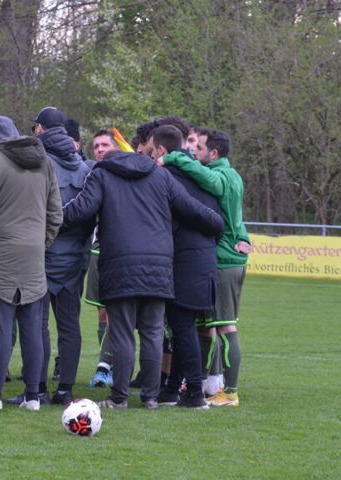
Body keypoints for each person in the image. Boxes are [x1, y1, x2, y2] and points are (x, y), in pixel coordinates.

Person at [63, 146, 223, 410]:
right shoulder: (160, 176)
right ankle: (150, 397)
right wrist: (217, 225)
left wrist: (47, 217)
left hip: (119, 265)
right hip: (159, 267)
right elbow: (192, 209)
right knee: (152, 333)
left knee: (122, 333)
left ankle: (119, 398)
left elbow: (81, 209)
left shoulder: (103, 174)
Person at [0, 115, 62, 412]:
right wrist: (39, 244)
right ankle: (33, 396)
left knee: (0, 327)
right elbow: (56, 215)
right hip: (33, 256)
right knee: (33, 327)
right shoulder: (45, 163)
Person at [163, 128, 252, 407]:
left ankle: (230, 391)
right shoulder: (234, 176)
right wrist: (244, 237)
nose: (194, 153)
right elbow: (236, 217)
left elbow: (206, 178)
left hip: (224, 260)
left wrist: (174, 158)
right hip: (229, 257)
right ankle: (204, 383)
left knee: (225, 327)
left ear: (214, 153)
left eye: (198, 148)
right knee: (211, 327)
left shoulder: (221, 177)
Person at [7, 107, 90, 407]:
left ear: (40, 129)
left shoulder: (39, 164)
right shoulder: (84, 167)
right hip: (74, 259)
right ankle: (65, 389)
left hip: (41, 256)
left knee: (36, 323)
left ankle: (37, 388)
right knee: (69, 325)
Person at [152, 125, 220, 409]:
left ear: (160, 151)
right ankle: (171, 388)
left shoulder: (167, 178)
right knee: (183, 326)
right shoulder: (201, 176)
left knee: (182, 327)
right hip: (203, 259)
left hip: (185, 260)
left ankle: (193, 391)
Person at [87, 129, 120, 388]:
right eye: (96, 145)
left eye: (105, 144)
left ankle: (108, 366)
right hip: (96, 252)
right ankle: (106, 366)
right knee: (102, 314)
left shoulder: (123, 173)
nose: (100, 149)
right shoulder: (91, 174)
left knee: (118, 314)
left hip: (118, 252)